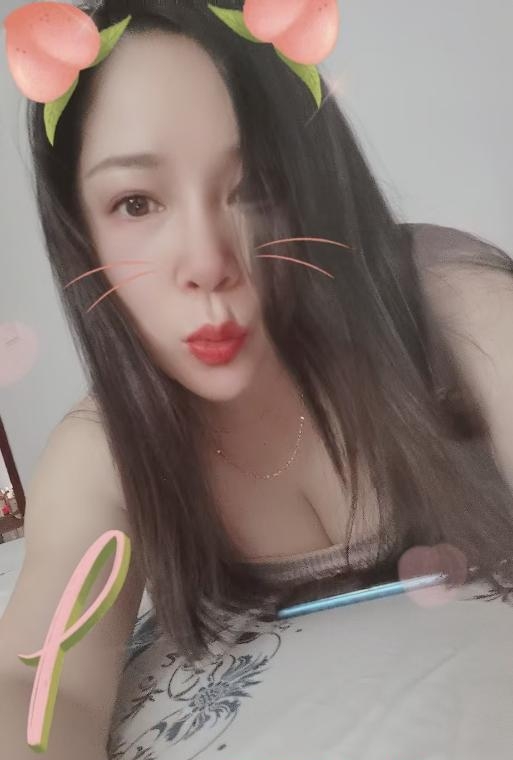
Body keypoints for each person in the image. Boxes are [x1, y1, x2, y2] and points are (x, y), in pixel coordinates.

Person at [1, 1, 513, 758]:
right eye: (136, 203)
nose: (207, 262)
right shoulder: (104, 452)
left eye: (253, 186)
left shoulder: (448, 304)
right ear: (84, 237)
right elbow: (40, 683)